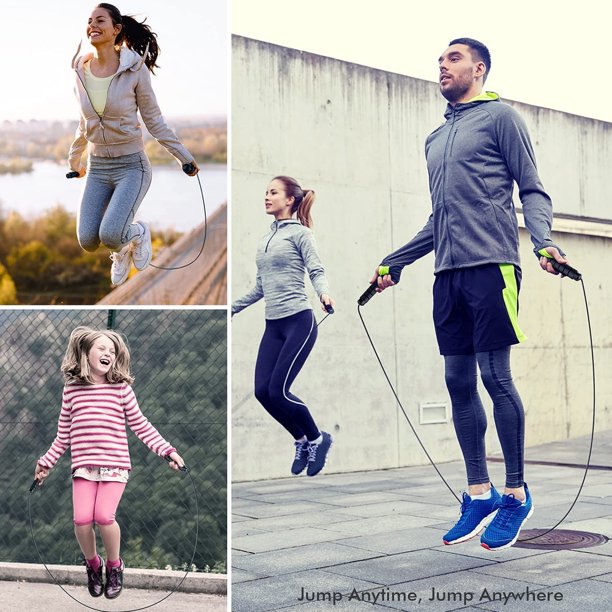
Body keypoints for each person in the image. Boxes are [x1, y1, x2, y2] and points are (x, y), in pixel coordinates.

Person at [371, 38, 569, 551]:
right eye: (439, 59)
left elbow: (533, 188)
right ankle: (478, 493)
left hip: (492, 267)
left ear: (478, 69)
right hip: (448, 274)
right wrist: (396, 260)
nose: (442, 64)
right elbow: (439, 218)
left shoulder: (501, 118)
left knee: (494, 375)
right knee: (457, 380)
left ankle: (516, 494)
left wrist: (544, 243)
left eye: (453, 58)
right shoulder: (435, 139)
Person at [34, 326, 185, 599]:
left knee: (104, 516)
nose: (107, 354)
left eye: (112, 351)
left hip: (115, 466)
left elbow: (142, 426)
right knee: (81, 520)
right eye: (101, 349)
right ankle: (94, 565)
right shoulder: (72, 391)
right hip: (84, 467)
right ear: (85, 353)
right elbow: (62, 436)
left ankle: (115, 566)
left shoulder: (121, 390)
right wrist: (45, 462)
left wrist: (167, 451)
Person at [68, 3, 199, 286]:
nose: (92, 24)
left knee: (111, 234)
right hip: (98, 167)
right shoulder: (80, 71)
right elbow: (84, 123)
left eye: (100, 20)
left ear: (116, 30)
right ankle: (122, 248)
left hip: (132, 167)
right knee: (88, 240)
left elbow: (154, 121)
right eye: (89, 20)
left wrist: (183, 157)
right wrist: (73, 161)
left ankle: (136, 234)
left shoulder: (135, 69)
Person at [232, 176, 335, 477]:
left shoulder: (301, 234)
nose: (266, 197)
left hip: (299, 322)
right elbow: (261, 287)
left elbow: (316, 269)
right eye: (265, 192)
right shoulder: (265, 239)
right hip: (273, 325)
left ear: (290, 200)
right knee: (263, 392)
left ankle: (318, 438)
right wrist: (233, 308)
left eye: (273, 193)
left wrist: (324, 293)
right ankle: (302, 439)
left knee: (279, 391)